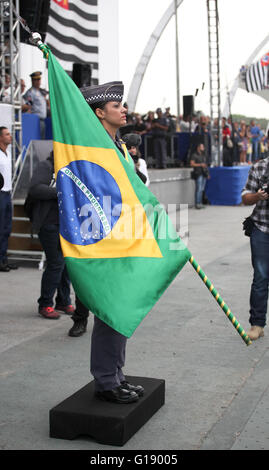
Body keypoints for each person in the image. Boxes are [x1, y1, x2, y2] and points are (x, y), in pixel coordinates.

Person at [80, 81, 144, 404]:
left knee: (121, 308)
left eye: (123, 105)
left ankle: (116, 372)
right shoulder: (95, 147)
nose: (124, 109)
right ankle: (105, 380)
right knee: (110, 310)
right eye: (116, 106)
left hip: (125, 236)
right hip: (105, 238)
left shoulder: (118, 145)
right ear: (99, 112)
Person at [27, 151, 75, 319]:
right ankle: (45, 303)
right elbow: (35, 189)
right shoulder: (46, 166)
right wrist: (61, 192)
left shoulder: (70, 168)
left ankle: (63, 301)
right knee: (56, 263)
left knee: (65, 265)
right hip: (49, 224)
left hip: (65, 224)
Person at [241, 155, 269, 340]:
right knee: (260, 278)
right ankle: (257, 324)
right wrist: (258, 196)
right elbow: (245, 198)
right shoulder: (260, 167)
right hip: (262, 228)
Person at [0, 127, 18, 272]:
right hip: (0, 194)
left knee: (6, 229)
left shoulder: (8, 153)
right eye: (7, 134)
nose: (10, 136)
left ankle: (4, 258)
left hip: (7, 194)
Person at [23, 71, 50, 139]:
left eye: (39, 79)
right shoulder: (31, 92)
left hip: (43, 120)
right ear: (32, 81)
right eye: (36, 80)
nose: (38, 81)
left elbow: (47, 104)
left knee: (42, 140)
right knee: (38, 140)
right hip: (36, 120)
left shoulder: (41, 92)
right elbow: (29, 105)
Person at [190, 142, 209, 209]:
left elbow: (205, 165)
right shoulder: (194, 155)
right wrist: (200, 165)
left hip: (203, 174)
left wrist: (207, 174)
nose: (203, 148)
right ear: (198, 148)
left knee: (201, 189)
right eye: (201, 147)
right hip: (198, 173)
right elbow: (192, 164)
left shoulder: (203, 155)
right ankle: (197, 203)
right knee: (198, 189)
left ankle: (200, 202)